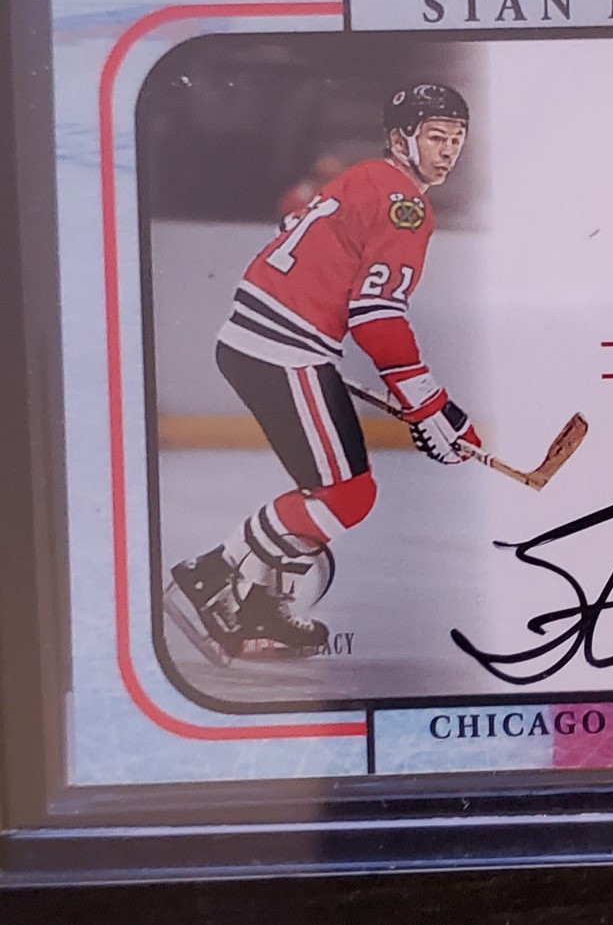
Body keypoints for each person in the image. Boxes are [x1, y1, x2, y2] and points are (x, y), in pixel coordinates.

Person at [170, 84, 480, 658]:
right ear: (400, 139)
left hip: (265, 339)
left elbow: (300, 243)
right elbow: (377, 316)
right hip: (284, 347)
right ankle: (209, 574)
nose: (447, 150)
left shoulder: (363, 177)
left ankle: (262, 608)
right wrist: (430, 405)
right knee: (348, 494)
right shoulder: (406, 205)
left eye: (456, 138)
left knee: (325, 490)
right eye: (436, 136)